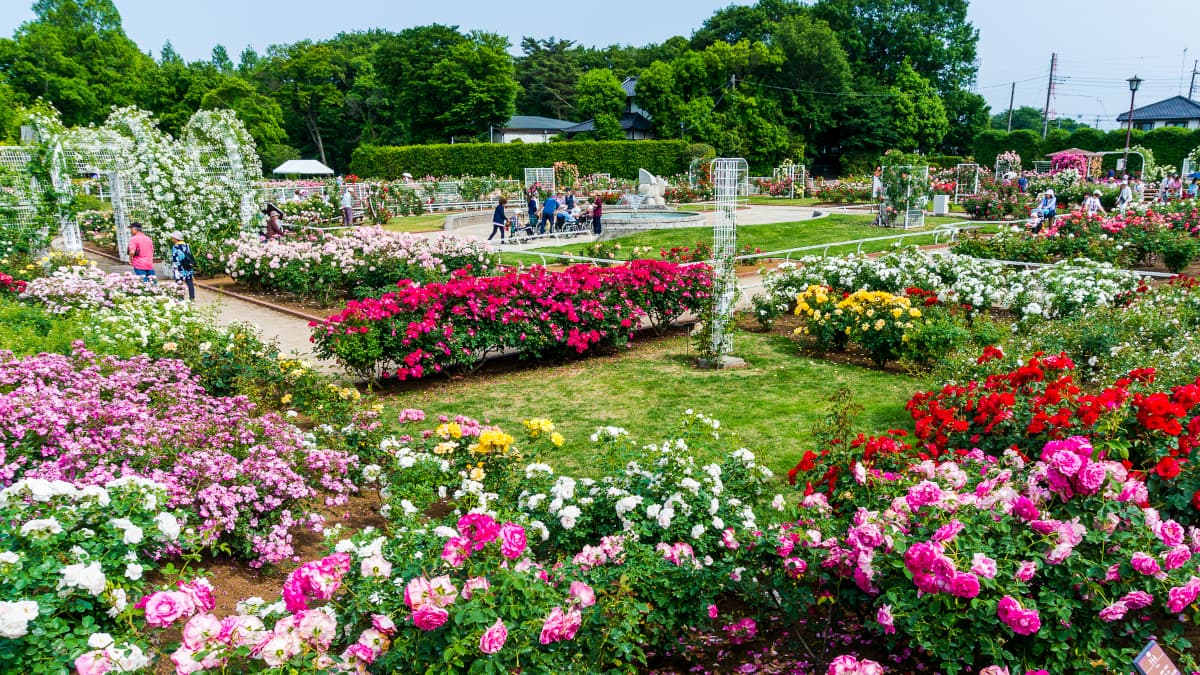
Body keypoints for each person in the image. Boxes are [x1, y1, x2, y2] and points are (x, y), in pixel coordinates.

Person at [168, 230, 195, 300]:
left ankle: (181, 298)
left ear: (176, 238)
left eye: (173, 238)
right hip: (187, 266)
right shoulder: (187, 245)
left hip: (179, 268)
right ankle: (192, 298)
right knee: (190, 282)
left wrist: (176, 269)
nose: (172, 239)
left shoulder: (175, 247)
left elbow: (175, 258)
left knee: (179, 283)